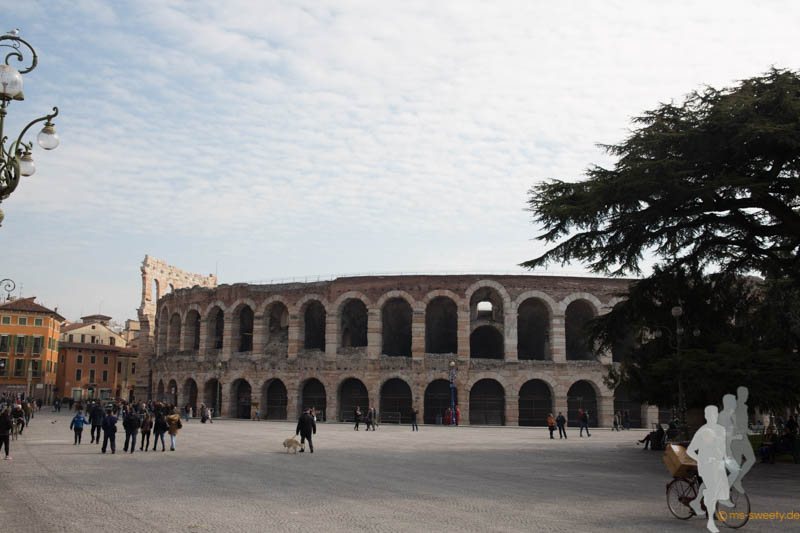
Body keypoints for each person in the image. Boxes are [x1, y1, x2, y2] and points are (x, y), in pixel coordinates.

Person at [687, 405, 730, 533]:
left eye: (715, 414)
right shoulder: (702, 431)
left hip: (717, 463)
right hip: (706, 464)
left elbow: (723, 447)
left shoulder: (721, 430)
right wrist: (700, 460)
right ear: (706, 416)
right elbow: (690, 450)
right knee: (711, 487)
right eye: (710, 415)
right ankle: (710, 513)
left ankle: (697, 503)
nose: (713, 417)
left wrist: (727, 459)